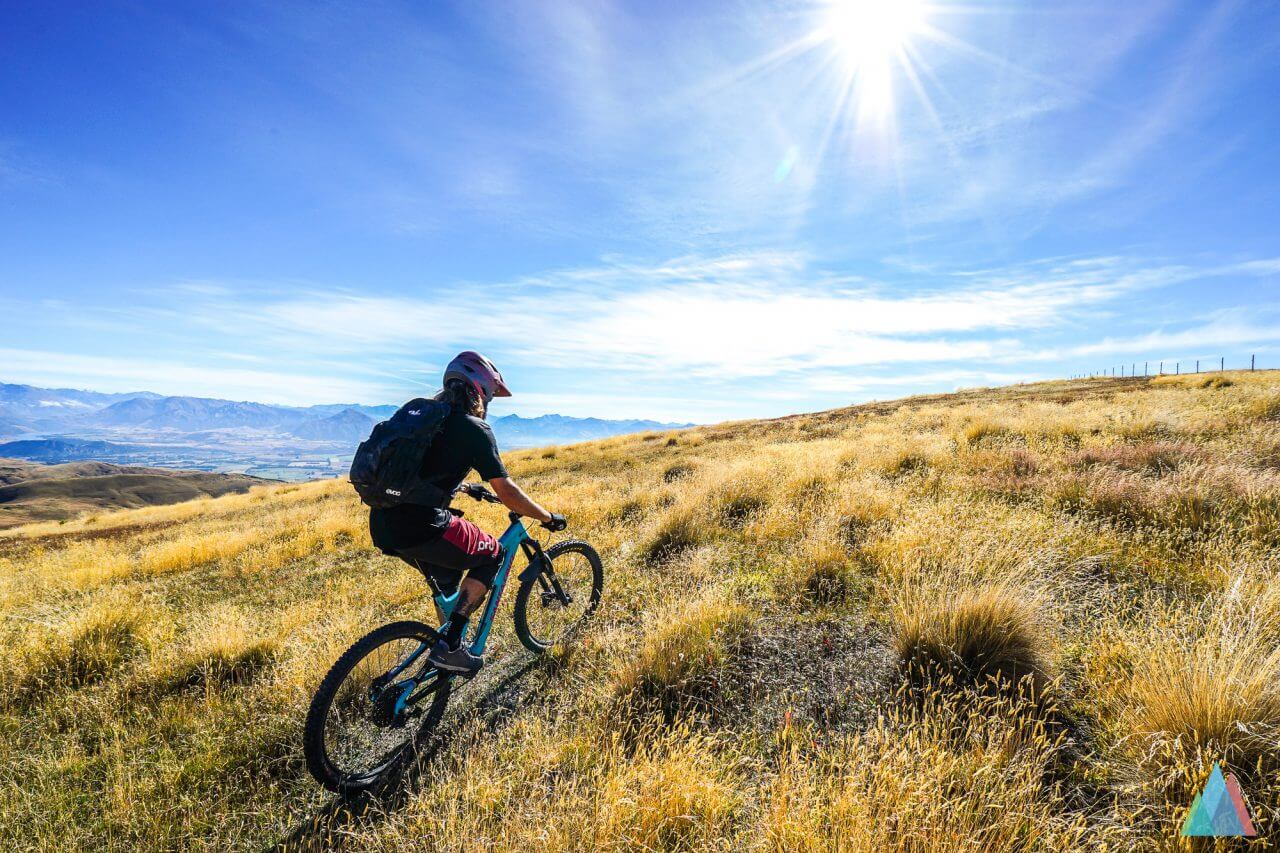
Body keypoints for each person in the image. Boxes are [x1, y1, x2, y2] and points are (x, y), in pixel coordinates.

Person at [368, 351, 565, 673]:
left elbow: (418, 472)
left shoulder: (426, 419)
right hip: (422, 525)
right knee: (494, 555)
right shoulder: (474, 428)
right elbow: (508, 492)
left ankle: (440, 644)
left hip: (383, 522)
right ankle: (449, 649)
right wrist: (546, 516)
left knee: (449, 578)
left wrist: (460, 487)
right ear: (482, 391)